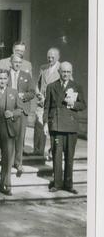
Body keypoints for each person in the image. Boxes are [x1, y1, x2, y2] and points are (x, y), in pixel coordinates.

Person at [43, 62, 86, 194]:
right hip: (56, 126)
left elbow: (83, 105)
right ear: (59, 72)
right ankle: (56, 183)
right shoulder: (51, 86)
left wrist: (73, 104)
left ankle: (68, 184)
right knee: (56, 155)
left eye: (68, 72)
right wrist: (45, 123)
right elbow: (47, 107)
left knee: (69, 156)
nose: (66, 74)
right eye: (63, 72)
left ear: (71, 72)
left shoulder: (76, 86)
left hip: (71, 126)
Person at [8, 54, 35, 176]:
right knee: (8, 136)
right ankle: (8, 161)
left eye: (20, 62)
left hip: (22, 109)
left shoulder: (26, 75)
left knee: (20, 137)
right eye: (15, 62)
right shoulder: (5, 74)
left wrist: (23, 96)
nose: (17, 64)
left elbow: (32, 92)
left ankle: (18, 163)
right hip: (8, 108)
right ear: (11, 62)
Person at [34, 48, 61, 156]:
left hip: (55, 104)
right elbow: (37, 84)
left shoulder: (62, 68)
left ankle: (53, 151)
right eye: (48, 57)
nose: (50, 59)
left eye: (52, 57)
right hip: (42, 102)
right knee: (39, 125)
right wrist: (38, 94)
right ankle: (38, 150)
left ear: (58, 57)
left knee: (54, 128)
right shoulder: (43, 68)